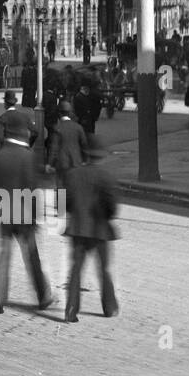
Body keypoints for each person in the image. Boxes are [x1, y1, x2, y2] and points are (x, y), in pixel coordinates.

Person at [0, 117, 54, 315]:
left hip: (4, 213)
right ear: (22, 133)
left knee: (3, 254)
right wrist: (36, 217)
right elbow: (33, 189)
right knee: (32, 256)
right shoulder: (28, 157)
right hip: (25, 216)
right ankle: (43, 296)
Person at [58, 138, 119, 322]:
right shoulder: (106, 177)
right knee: (104, 269)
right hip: (100, 229)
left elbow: (64, 203)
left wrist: (76, 213)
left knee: (76, 269)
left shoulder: (72, 174)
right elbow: (112, 207)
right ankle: (109, 307)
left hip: (77, 229)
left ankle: (70, 310)